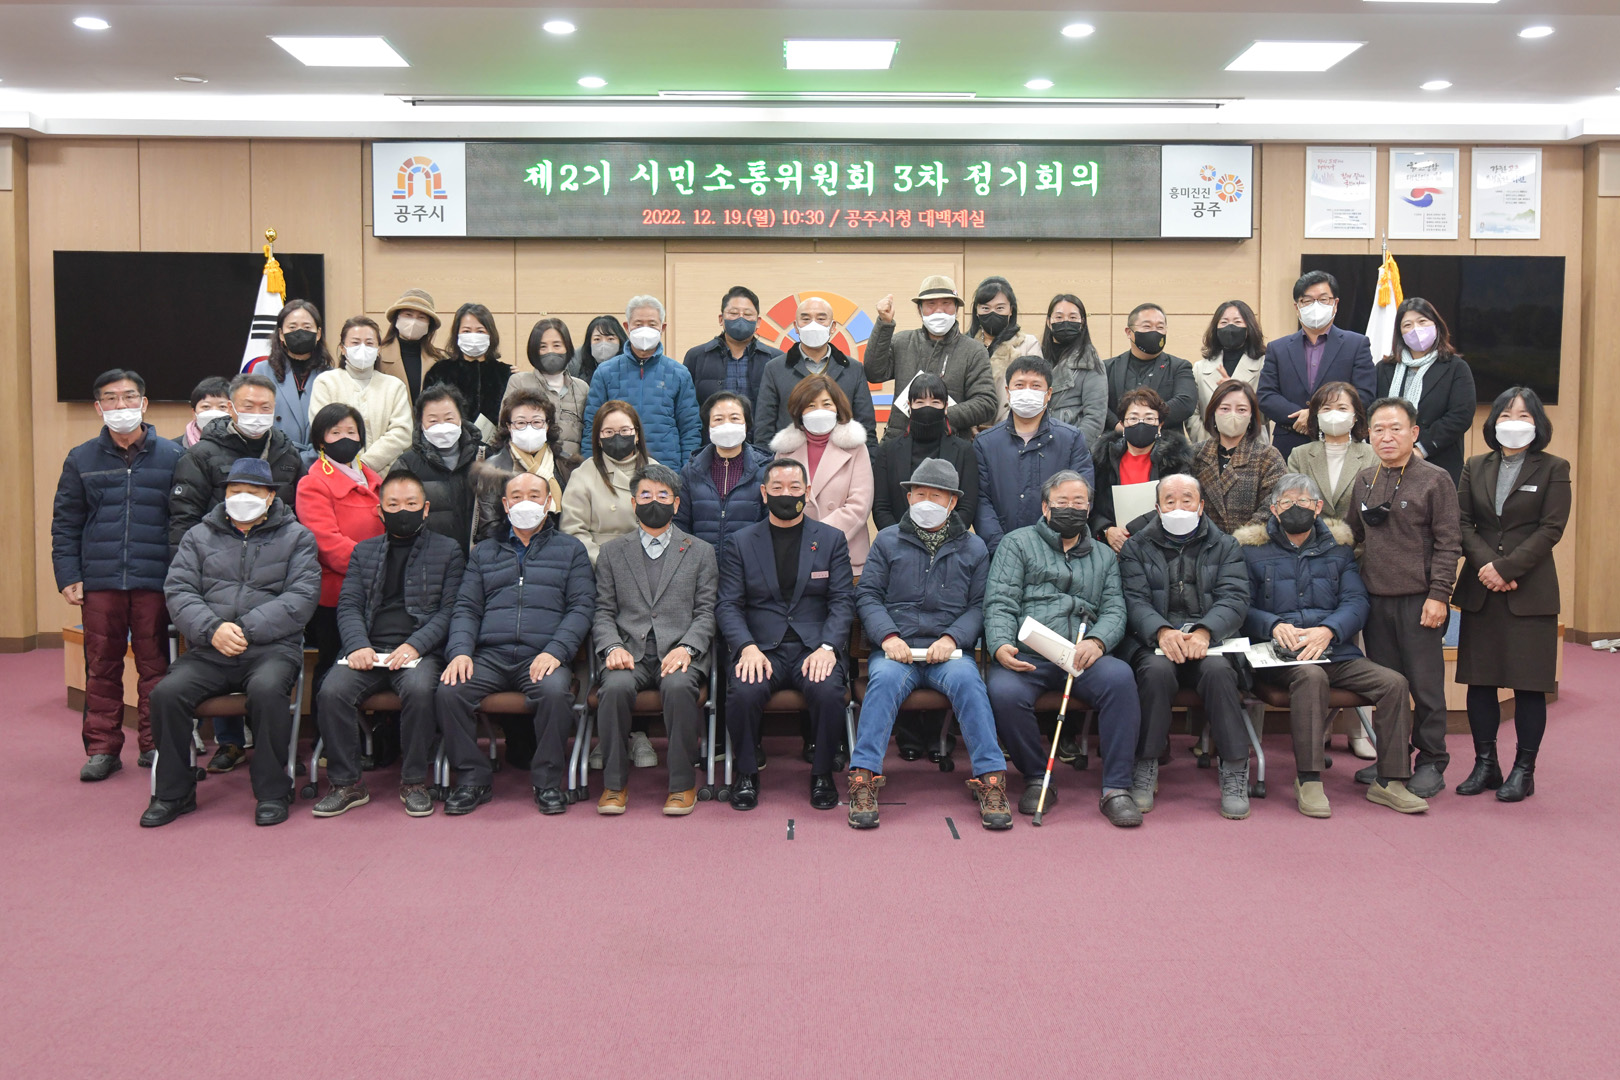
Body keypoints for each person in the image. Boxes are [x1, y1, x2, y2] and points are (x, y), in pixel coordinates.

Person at [140, 458, 321, 827]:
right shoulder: (198, 536)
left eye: (252, 492)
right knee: (166, 695)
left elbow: (302, 597)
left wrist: (245, 630)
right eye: (235, 491)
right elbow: (179, 591)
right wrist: (213, 629)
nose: (242, 498)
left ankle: (272, 791)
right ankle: (174, 792)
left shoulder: (297, 537)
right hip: (210, 649)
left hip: (271, 649)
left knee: (268, 691)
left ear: (270, 497)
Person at [1235, 475, 1428, 816]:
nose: (1295, 508)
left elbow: (1356, 601)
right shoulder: (1251, 552)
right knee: (1311, 677)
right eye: (1286, 502)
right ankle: (1309, 779)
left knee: (1394, 683)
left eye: (1303, 501)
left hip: (1334, 650)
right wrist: (1273, 625)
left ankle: (1390, 781)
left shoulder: (1339, 551)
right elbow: (1239, 606)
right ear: (1274, 510)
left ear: (1318, 507)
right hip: (1280, 656)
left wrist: (1329, 630)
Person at [850, 459, 1012, 831]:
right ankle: (863, 778)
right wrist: (888, 636)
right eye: (919, 494)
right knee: (882, 682)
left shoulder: (974, 547)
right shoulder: (887, 540)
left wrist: (953, 637)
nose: (926, 501)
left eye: (936, 496)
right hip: (897, 649)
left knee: (970, 683)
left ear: (952, 502)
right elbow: (868, 596)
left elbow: (979, 605)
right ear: (908, 497)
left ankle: (991, 780)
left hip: (948, 651)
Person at [982, 471, 1144, 828]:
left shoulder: (1104, 555)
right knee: (1003, 692)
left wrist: (1098, 641)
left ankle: (1116, 787)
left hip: (1083, 655)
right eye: (1062, 502)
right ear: (1046, 507)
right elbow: (1000, 601)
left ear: (1089, 509)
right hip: (1029, 654)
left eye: (1079, 503)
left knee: (1121, 679)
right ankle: (1038, 777)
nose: (1071, 508)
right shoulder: (1016, 544)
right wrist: (1001, 644)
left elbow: (1115, 609)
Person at [169, 372, 307, 767]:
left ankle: (271, 772)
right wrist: (206, 612)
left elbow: (297, 522)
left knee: (265, 681)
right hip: (214, 575)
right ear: (231, 408)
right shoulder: (201, 455)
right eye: (248, 406)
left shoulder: (287, 454)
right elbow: (183, 524)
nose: (257, 413)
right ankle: (226, 744)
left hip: (269, 575)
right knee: (190, 673)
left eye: (266, 408)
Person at [437, 471, 595, 816]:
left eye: (535, 495)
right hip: (489, 656)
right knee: (450, 691)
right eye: (517, 496)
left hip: (542, 654)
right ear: (505, 505)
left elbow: (582, 607)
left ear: (549, 502)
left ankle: (547, 782)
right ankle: (472, 779)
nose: (526, 502)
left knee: (554, 692)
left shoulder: (571, 550)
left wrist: (556, 651)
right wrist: (460, 652)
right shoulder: (484, 552)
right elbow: (466, 608)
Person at [53, 368, 183, 781]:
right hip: (100, 580)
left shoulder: (173, 456)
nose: (120, 405)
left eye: (128, 397)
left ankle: (154, 743)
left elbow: (183, 523)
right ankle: (102, 748)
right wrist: (68, 574)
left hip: (155, 579)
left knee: (156, 665)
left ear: (144, 403)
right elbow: (66, 522)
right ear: (98, 407)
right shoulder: (81, 458)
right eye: (110, 398)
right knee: (101, 666)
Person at [311, 470, 465, 818]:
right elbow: (349, 605)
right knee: (331, 691)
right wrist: (357, 645)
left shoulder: (449, 551)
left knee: (420, 690)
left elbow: (451, 610)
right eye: (393, 505)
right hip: (368, 647)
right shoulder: (363, 552)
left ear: (426, 508)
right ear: (380, 511)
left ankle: (414, 782)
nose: (402, 511)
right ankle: (347, 783)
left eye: (411, 503)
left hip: (419, 651)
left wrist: (416, 645)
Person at [717, 458, 855, 812]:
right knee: (742, 693)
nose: (786, 494)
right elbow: (728, 605)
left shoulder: (831, 539)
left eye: (794, 488)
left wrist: (828, 647)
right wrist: (746, 647)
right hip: (762, 648)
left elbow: (842, 601)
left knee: (829, 692)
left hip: (815, 646)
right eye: (777, 488)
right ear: (764, 494)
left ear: (807, 492)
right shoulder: (740, 542)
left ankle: (822, 774)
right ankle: (746, 774)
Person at [1454, 388, 1570, 803]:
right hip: (1481, 589)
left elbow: (1551, 528)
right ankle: (1485, 764)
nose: (1514, 422)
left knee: (1528, 686)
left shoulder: (1554, 467)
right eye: (1506, 414)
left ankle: (1524, 770)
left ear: (1538, 423)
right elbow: (1462, 523)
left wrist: (1506, 569)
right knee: (1480, 683)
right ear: (1493, 422)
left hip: (1530, 591)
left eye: (1524, 415)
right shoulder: (1474, 465)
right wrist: (1489, 566)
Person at [1116, 474, 1253, 819]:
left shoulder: (1226, 545)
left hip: (1209, 641)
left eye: (1187, 499)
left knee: (1219, 672)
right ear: (1158, 507)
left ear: (1201, 505)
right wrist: (1162, 631)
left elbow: (1235, 599)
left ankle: (1235, 768)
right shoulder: (1136, 547)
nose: (1179, 507)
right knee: (1155, 672)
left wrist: (1205, 631)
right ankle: (1145, 764)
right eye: (1170, 501)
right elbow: (1132, 600)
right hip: (1155, 641)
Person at [1347, 397, 1462, 798]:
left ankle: (1432, 760)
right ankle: (1392, 760)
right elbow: (1351, 536)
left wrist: (1439, 595)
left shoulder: (1435, 479)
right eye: (1378, 429)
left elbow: (1449, 543)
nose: (1386, 437)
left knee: (1425, 687)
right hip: (1375, 602)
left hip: (1420, 602)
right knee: (1388, 688)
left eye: (1395, 428)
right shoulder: (1365, 478)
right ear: (1368, 435)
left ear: (1414, 433)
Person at [591, 463, 719, 816]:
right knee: (614, 689)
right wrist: (612, 646)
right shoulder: (612, 552)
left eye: (663, 495)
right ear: (633, 503)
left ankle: (681, 785)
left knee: (678, 689)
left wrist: (688, 648)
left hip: (680, 652)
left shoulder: (701, 551)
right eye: (645, 495)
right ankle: (614, 785)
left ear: (676, 504)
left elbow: (707, 612)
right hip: (628, 652)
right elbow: (602, 611)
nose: (654, 501)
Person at [296, 403, 384, 720]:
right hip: (336, 594)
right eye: (336, 432)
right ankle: (327, 739)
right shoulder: (313, 483)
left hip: (379, 593)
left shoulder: (374, 479)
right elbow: (325, 541)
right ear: (321, 440)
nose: (345, 438)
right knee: (334, 665)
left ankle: (373, 737)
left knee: (376, 666)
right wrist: (375, 567)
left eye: (351, 431)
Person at [974, 355, 1093, 554]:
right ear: (1008, 392)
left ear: (1049, 394)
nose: (1027, 391)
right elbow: (981, 501)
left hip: (1057, 552)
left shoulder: (1071, 439)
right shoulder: (985, 443)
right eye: (1019, 385)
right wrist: (1002, 548)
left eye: (1036, 386)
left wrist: (1055, 546)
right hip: (1001, 552)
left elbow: (1082, 497)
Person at [1258, 270, 1376, 460]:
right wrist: (1300, 417)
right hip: (1290, 440)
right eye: (1307, 301)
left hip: (1341, 441)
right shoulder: (1277, 348)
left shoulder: (1356, 344)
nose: (1315, 306)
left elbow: (1364, 394)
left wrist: (1315, 416)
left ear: (1335, 304)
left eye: (1323, 299)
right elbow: (1266, 395)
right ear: (1297, 307)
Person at [866, 275, 997, 441]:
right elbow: (874, 373)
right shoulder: (903, 342)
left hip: (950, 444)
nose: (939, 310)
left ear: (957, 308)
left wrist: (941, 414)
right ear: (919, 310)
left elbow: (986, 403)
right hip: (900, 442)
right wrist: (884, 324)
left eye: (946, 303)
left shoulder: (973, 350)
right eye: (931, 304)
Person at [767, 375, 875, 576]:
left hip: (846, 555)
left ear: (837, 408)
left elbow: (859, 505)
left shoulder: (856, 448)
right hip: (796, 555)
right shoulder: (785, 451)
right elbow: (778, 502)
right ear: (799, 411)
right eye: (811, 405)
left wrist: (817, 536)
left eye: (826, 404)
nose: (819, 411)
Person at [583, 295, 700, 466]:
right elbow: (591, 427)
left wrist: (687, 471)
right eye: (638, 324)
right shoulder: (605, 372)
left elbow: (690, 429)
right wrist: (591, 468)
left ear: (662, 328)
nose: (645, 329)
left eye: (652, 324)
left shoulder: (679, 373)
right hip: (616, 467)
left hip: (666, 468)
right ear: (627, 327)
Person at [753, 295, 877, 451]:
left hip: (843, 459)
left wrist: (869, 461)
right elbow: (764, 427)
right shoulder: (775, 369)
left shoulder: (853, 369)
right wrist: (767, 463)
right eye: (806, 319)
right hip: (790, 459)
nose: (813, 324)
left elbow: (866, 426)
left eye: (821, 319)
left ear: (832, 326)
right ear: (796, 326)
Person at [1375, 297, 1477, 485]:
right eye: (1407, 325)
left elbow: (1460, 415)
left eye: (1422, 321)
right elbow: (1373, 410)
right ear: (1400, 333)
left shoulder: (1455, 367)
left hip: (1438, 463)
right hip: (1389, 463)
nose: (1416, 329)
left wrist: (1420, 449)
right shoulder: (1384, 368)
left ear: (1436, 325)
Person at [1088, 386, 1195, 553]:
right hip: (1113, 548)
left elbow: (1180, 503)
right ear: (1122, 423)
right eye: (1133, 418)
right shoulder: (1102, 459)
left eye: (1149, 418)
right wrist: (1106, 529)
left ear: (1160, 425)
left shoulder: (1176, 460)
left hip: (1162, 546)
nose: (1141, 423)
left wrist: (1135, 529)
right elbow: (1091, 503)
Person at [871, 373, 979, 532]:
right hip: (897, 540)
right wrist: (899, 539)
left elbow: (967, 507)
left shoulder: (964, 451)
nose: (927, 408)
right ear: (909, 406)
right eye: (920, 402)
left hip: (950, 542)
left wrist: (942, 539)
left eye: (935, 402)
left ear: (946, 407)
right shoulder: (888, 450)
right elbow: (881, 507)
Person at [308, 315, 414, 474]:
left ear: (379, 349)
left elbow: (402, 432)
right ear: (343, 348)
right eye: (355, 343)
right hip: (338, 474)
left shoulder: (394, 386)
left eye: (369, 343)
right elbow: (321, 430)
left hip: (387, 476)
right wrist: (349, 468)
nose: (363, 348)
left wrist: (365, 464)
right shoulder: (326, 382)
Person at [676, 391, 773, 557]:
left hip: (749, 562)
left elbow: (770, 523)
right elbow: (680, 523)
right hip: (702, 564)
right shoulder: (691, 471)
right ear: (708, 427)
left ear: (746, 424)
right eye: (718, 419)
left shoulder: (765, 470)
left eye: (734, 418)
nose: (727, 425)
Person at [390, 384, 484, 553]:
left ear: (461, 418)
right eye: (433, 421)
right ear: (421, 423)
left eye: (449, 418)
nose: (442, 426)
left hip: (480, 556)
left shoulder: (484, 456)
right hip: (430, 557)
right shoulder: (407, 465)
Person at [562, 400, 657, 566]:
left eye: (624, 430)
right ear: (599, 438)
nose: (617, 437)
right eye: (609, 432)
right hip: (600, 565)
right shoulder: (583, 475)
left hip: (650, 564)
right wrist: (603, 563)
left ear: (636, 434)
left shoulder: (657, 471)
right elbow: (573, 530)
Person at [475, 389, 576, 543]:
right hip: (512, 547)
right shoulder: (493, 468)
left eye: (536, 422)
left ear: (547, 425)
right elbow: (489, 526)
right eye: (521, 423)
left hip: (561, 546)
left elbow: (576, 516)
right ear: (509, 426)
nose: (529, 428)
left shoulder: (566, 464)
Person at [1190, 379, 1286, 536]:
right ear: (1213, 413)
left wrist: (1240, 539)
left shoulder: (1268, 457)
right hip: (1202, 543)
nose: (1233, 415)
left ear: (1251, 416)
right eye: (1225, 408)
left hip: (1251, 543)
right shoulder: (1195, 454)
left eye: (1241, 409)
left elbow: (1274, 502)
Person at [247, 299, 332, 458]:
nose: (300, 332)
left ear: (318, 334)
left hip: (317, 461)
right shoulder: (262, 370)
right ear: (281, 334)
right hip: (273, 458)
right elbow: (253, 419)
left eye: (307, 327)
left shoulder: (330, 375)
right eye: (292, 327)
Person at [1285, 381, 1378, 523]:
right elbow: (1291, 502)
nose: (1334, 414)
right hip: (1311, 533)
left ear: (1355, 416)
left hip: (1359, 534)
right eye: (1327, 408)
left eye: (1342, 408)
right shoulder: (1299, 455)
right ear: (1317, 415)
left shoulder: (1372, 455)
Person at [1104, 303, 1198, 436]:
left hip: (1166, 444)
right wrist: (1117, 425)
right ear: (1129, 332)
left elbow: (1186, 402)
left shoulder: (1179, 366)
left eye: (1160, 327)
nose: (1155, 332)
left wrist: (1149, 421)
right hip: (1117, 442)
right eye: (1147, 326)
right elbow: (1097, 404)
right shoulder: (1107, 368)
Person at [503, 318, 590, 460]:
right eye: (543, 347)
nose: (550, 352)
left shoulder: (582, 388)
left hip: (572, 468)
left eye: (557, 345)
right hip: (528, 466)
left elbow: (589, 433)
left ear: (568, 348)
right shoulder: (519, 382)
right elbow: (504, 428)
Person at [683, 285, 783, 410]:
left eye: (747, 314)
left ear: (758, 322)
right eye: (734, 313)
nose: (741, 318)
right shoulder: (696, 356)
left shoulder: (776, 359)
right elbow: (686, 405)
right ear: (721, 319)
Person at [422, 303, 510, 441]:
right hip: (450, 447)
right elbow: (426, 414)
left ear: (490, 334)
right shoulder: (440, 371)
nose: (473, 336)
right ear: (457, 334)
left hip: (495, 448)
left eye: (480, 331)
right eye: (466, 331)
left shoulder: (505, 373)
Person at [968, 275, 1042, 427]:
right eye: (985, 308)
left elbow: (1035, 390)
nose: (992, 313)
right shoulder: (965, 345)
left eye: (1000, 308)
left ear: (1011, 310)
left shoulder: (1027, 344)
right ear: (977, 311)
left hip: (1012, 428)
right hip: (968, 429)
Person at [1188, 300, 1266, 443]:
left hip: (1253, 446)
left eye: (1237, 322)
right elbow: (1192, 413)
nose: (1230, 328)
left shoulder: (1264, 365)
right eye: (1224, 322)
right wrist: (1209, 442)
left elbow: (1266, 414)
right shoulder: (1199, 368)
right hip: (1209, 446)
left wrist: (1238, 391)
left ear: (1249, 328)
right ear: (1215, 329)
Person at [1042, 293, 1107, 445]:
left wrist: (1074, 448)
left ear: (1082, 322)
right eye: (1059, 317)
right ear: (1049, 322)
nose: (1066, 322)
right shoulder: (1037, 356)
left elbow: (1095, 417)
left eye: (1073, 317)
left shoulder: (1091, 363)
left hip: (1071, 444)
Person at [377, 288, 444, 401]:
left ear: (429, 325)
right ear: (397, 318)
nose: (414, 322)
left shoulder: (440, 359)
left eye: (421, 317)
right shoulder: (378, 356)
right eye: (408, 315)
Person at [572, 314, 626, 384]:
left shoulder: (631, 368)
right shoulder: (577, 370)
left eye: (610, 339)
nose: (604, 344)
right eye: (597, 339)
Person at [183, 377, 231, 447]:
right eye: (206, 406)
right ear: (194, 413)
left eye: (222, 406)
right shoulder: (177, 449)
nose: (214, 412)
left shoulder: (242, 445)